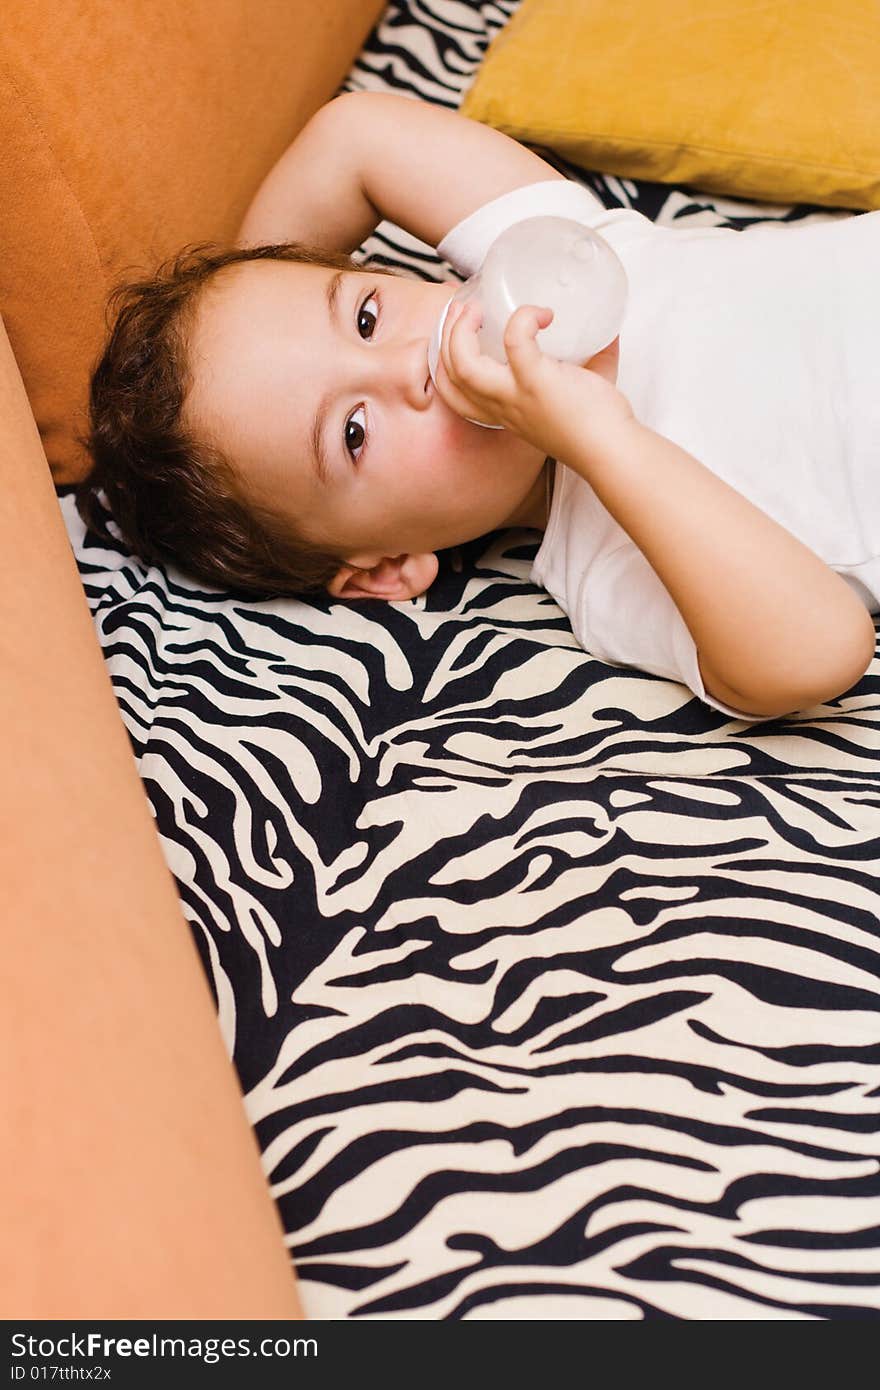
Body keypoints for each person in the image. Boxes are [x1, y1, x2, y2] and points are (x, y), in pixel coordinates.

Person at [75, 91, 877, 722]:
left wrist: (254, 287)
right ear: (387, 566)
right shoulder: (607, 562)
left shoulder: (553, 255)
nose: (408, 368)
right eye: (353, 433)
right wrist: (603, 440)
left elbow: (353, 137)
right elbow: (817, 654)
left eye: (365, 317)